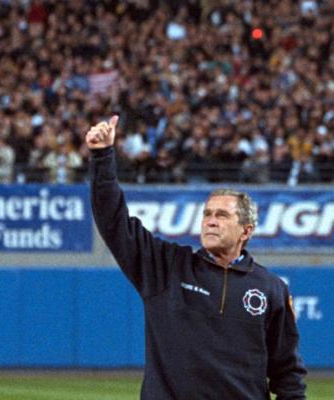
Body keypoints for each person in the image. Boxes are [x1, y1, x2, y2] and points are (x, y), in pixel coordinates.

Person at [85, 115, 307, 400]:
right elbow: (114, 223)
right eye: (207, 214)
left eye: (222, 215)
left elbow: (287, 372)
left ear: (246, 230)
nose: (211, 221)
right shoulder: (167, 267)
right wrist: (103, 156)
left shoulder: (271, 288)